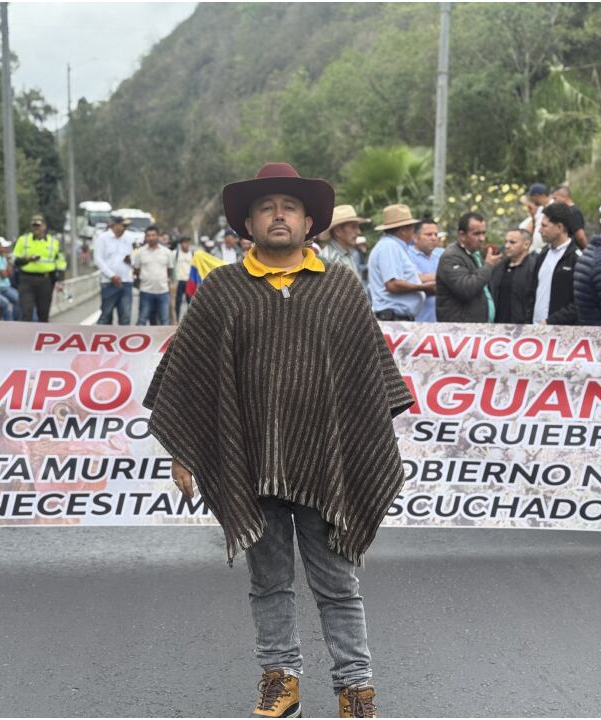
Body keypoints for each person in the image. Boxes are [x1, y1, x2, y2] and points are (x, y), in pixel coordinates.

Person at [143, 162, 412, 719]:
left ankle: (355, 687)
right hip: (250, 462)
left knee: (338, 581)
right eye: (267, 207)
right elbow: (189, 376)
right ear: (248, 222)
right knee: (268, 580)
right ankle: (280, 676)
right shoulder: (222, 290)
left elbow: (370, 379)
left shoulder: (340, 286)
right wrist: (184, 452)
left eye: (289, 206)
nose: (279, 215)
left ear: (310, 220)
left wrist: (369, 449)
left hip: (328, 461)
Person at [366, 204, 432, 322]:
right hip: (393, 318)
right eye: (411, 227)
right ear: (403, 229)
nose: (413, 230)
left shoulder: (396, 246)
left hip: (397, 318)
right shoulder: (389, 246)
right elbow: (393, 285)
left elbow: (415, 278)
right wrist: (423, 288)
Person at [436, 212, 501, 323]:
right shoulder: (451, 256)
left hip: (479, 328)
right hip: (460, 330)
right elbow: (466, 288)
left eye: (483, 233)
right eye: (476, 234)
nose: (481, 238)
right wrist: (488, 266)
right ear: (462, 235)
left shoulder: (475, 254)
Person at [529, 202, 580, 325]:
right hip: (535, 331)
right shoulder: (542, 255)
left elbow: (579, 303)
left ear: (559, 227)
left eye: (544, 226)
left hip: (562, 334)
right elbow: (532, 292)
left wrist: (551, 321)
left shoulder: (577, 258)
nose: (540, 230)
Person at [12, 214, 66, 323]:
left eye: (38, 226)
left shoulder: (53, 242)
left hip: (45, 281)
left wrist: (60, 281)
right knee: (26, 311)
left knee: (43, 314)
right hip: (26, 280)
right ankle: (26, 337)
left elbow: (60, 262)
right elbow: (14, 259)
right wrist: (26, 259)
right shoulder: (23, 240)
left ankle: (41, 338)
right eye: (34, 226)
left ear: (44, 227)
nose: (36, 228)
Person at [94, 214, 136, 325]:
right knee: (106, 316)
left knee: (125, 316)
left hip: (126, 282)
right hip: (108, 283)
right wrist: (111, 275)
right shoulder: (103, 238)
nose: (124, 229)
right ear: (115, 225)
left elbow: (136, 256)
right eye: (123, 225)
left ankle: (122, 341)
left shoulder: (130, 238)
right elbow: (98, 259)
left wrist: (131, 260)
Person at [489, 228, 537, 324]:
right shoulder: (499, 266)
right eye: (506, 242)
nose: (507, 246)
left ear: (526, 244)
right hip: (497, 328)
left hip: (523, 330)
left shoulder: (535, 267)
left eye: (512, 242)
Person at [133, 226, 175, 326]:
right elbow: (136, 270)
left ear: (158, 236)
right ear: (145, 237)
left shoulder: (167, 252)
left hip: (163, 292)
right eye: (148, 235)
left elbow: (170, 270)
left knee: (164, 321)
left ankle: (165, 342)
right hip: (146, 291)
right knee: (142, 320)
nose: (151, 238)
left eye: (153, 235)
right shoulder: (140, 253)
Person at [318, 204, 368, 283]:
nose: (359, 232)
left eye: (358, 227)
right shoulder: (330, 259)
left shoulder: (347, 253)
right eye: (353, 227)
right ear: (338, 231)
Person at [407, 219, 442, 321]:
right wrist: (444, 278)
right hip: (417, 321)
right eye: (429, 234)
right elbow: (414, 280)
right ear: (415, 237)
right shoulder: (407, 255)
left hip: (440, 323)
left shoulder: (441, 255)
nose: (434, 238)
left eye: (436, 234)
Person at [551, 185, 588, 249]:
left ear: (564, 197)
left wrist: (586, 250)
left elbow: (580, 237)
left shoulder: (573, 212)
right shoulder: (567, 211)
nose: (554, 202)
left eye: (555, 198)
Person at [0, 238, 18, 320]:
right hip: (1, 287)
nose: (7, 248)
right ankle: (13, 324)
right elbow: (5, 275)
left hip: (6, 286)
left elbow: (10, 274)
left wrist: (9, 262)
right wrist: (10, 262)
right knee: (16, 300)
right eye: (4, 246)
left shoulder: (2, 256)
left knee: (20, 299)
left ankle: (16, 321)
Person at [173, 236, 195, 322]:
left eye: (187, 242)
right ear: (181, 244)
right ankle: (176, 320)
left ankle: (190, 321)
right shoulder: (176, 253)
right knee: (177, 302)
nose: (186, 245)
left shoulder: (192, 253)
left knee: (190, 303)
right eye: (184, 243)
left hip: (189, 281)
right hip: (179, 281)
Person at [526, 183, 551, 253]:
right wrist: (533, 215)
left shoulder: (553, 207)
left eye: (532, 196)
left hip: (546, 249)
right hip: (536, 250)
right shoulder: (540, 209)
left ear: (537, 196)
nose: (531, 199)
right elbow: (533, 227)